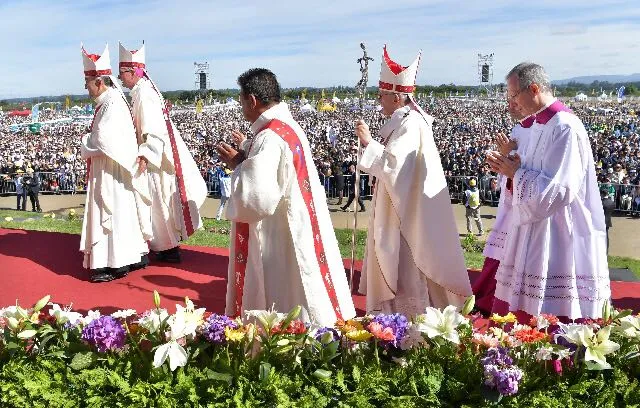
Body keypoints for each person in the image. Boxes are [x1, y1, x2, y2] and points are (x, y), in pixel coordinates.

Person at [215, 68, 355, 326]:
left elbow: (257, 199)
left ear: (253, 100)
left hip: (282, 232)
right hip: (298, 219)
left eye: (241, 100)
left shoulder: (269, 136)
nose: (241, 106)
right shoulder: (286, 127)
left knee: (289, 292)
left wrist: (238, 165)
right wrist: (248, 149)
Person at [353, 46, 472, 316]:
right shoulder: (404, 121)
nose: (378, 100)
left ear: (396, 97)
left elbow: (396, 167)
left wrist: (368, 143)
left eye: (382, 95)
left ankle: (407, 329)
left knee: (406, 271)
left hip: (405, 217)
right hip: (399, 207)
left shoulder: (411, 124)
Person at [486, 62, 610, 321]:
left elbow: (560, 189)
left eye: (513, 95)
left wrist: (515, 174)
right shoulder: (537, 125)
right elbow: (526, 173)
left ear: (533, 89)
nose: (512, 102)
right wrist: (510, 168)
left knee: (550, 317)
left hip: (556, 231)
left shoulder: (565, 126)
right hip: (532, 226)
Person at [118, 42, 207, 263]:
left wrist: (146, 154)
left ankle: (167, 247)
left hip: (155, 159)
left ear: (132, 72)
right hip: (156, 156)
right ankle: (166, 246)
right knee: (160, 204)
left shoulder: (144, 93)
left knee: (159, 204)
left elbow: (153, 129)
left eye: (122, 73)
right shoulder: (143, 90)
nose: (120, 78)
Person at [79, 43, 152, 282]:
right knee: (121, 213)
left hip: (111, 171)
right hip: (113, 168)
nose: (86, 88)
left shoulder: (112, 102)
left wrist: (84, 141)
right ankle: (126, 258)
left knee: (112, 212)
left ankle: (113, 263)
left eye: (88, 83)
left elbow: (103, 140)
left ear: (99, 81)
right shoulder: (111, 100)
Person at [472, 100, 534, 316]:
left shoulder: (541, 129)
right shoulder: (519, 128)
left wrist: (508, 158)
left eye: (515, 100)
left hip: (527, 206)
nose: (510, 106)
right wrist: (502, 158)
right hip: (511, 202)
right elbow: (511, 169)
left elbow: (528, 167)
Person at [601, 187, 615, 255]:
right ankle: (606, 250)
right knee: (606, 236)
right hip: (608, 221)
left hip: (601, 222)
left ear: (602, 194)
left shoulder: (601, 203)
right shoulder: (612, 202)